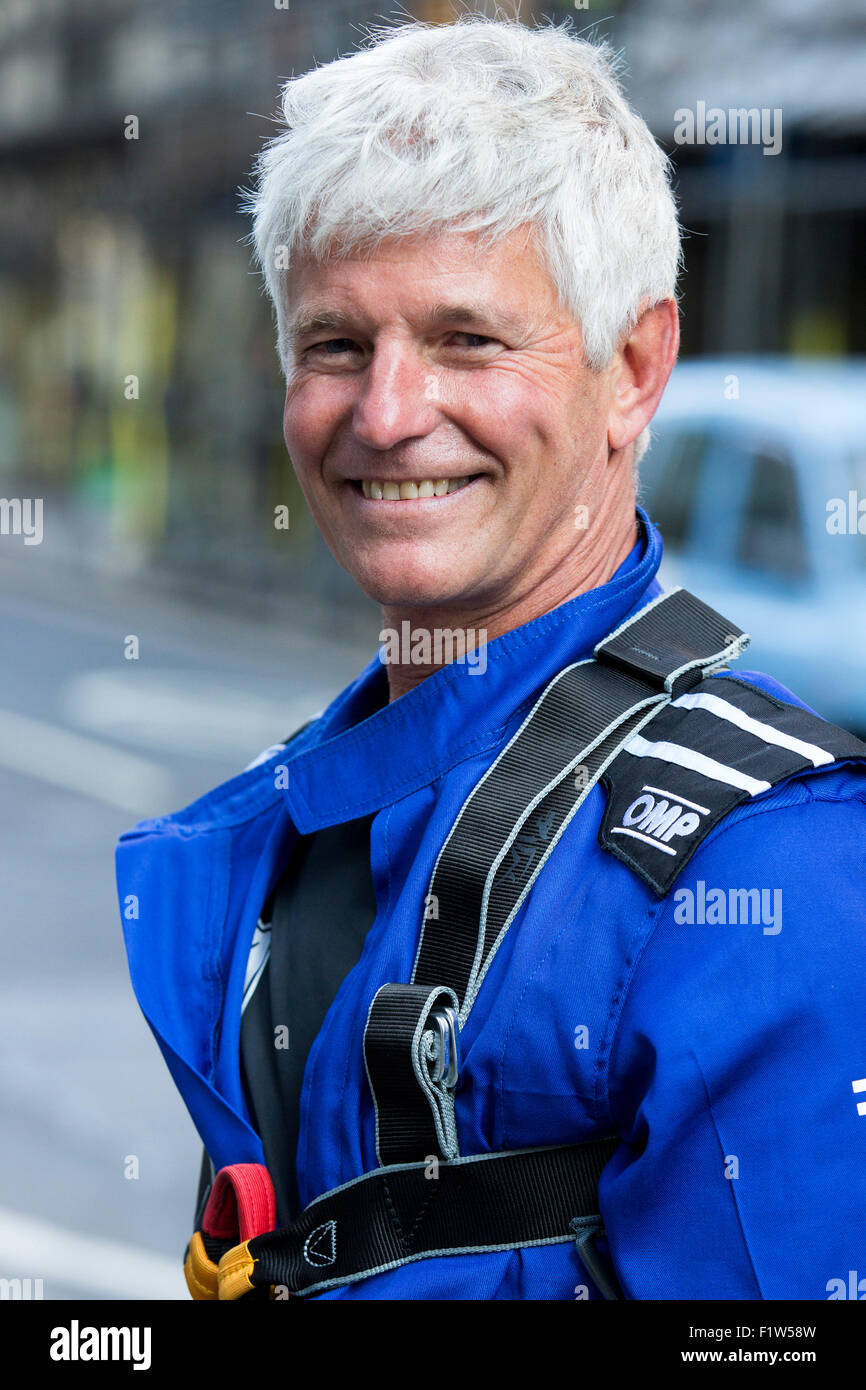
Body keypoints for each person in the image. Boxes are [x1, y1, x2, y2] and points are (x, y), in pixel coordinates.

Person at [116, 15, 866, 1300]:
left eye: (466, 338)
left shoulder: (775, 867)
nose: (388, 414)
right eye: (336, 344)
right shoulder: (303, 817)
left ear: (632, 368)